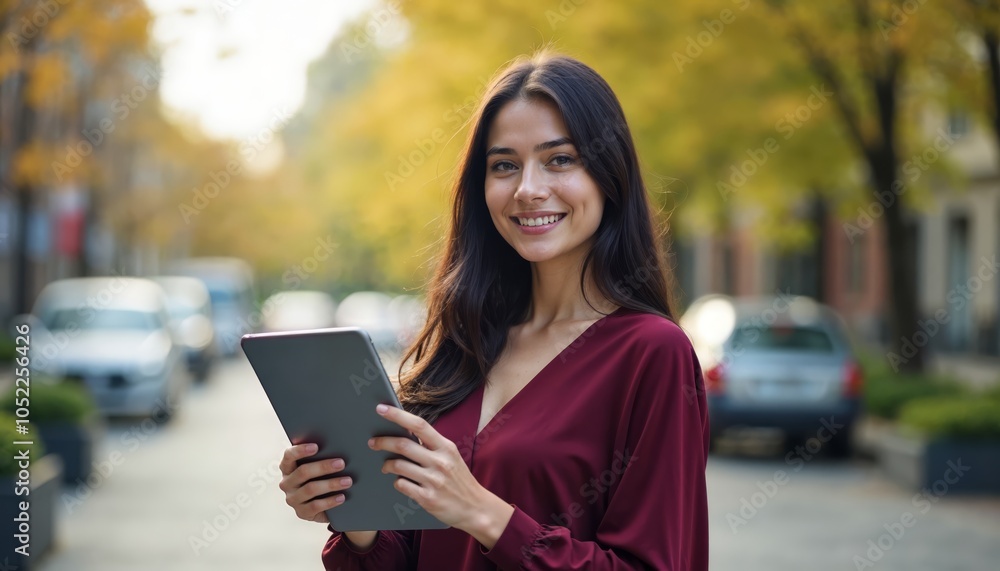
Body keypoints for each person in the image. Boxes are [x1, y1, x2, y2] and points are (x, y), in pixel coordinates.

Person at [277, 52, 710, 570]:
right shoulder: (465, 341)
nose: (528, 189)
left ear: (608, 175)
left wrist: (484, 515)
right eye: (504, 165)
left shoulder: (651, 354)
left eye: (560, 159)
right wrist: (357, 517)